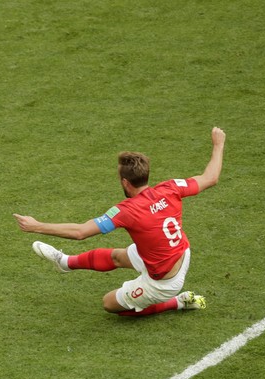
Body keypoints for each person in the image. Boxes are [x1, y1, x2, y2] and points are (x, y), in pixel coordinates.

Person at [14, 127, 226, 317]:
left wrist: (36, 226)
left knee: (110, 304)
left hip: (163, 282)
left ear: (125, 182)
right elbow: (210, 177)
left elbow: (81, 232)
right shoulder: (169, 188)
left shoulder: (127, 211)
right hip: (178, 253)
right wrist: (218, 143)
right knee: (117, 256)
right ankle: (64, 262)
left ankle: (177, 302)